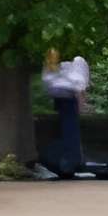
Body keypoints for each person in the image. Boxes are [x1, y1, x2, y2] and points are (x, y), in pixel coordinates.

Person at [42, 48, 91, 177]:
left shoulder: (56, 61)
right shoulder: (78, 62)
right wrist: (81, 105)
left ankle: (67, 162)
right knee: (70, 129)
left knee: (66, 127)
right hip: (68, 97)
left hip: (58, 95)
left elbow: (48, 81)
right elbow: (79, 87)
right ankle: (70, 163)